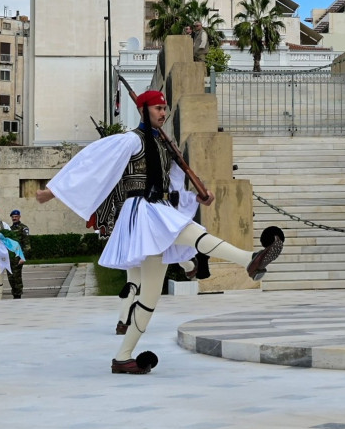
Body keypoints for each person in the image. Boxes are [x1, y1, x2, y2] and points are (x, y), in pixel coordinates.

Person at [35, 89, 283, 374]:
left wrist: (196, 197)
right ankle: (249, 259)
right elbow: (92, 164)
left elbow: (171, 187)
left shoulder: (164, 144)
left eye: (164, 109)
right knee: (192, 233)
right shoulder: (131, 140)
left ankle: (123, 357)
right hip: (142, 210)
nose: (163, 113)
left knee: (150, 298)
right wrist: (52, 191)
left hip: (158, 208)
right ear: (144, 110)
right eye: (157, 109)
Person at [8, 209, 31, 299]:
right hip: (10, 257)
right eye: (13, 217)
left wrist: (23, 257)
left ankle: (18, 295)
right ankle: (14, 294)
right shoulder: (9, 229)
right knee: (10, 277)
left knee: (17, 276)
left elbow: (27, 245)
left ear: (19, 217)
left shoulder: (23, 228)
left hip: (18, 257)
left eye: (16, 217)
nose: (14, 218)